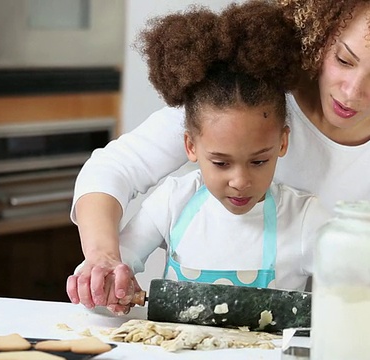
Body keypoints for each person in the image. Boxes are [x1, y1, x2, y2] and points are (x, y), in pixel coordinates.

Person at [68, 0, 370, 327]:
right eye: (343, 60)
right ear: (320, 31)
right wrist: (104, 257)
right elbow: (112, 170)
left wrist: (367, 276)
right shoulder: (257, 93)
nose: (351, 92)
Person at [67, 0, 330, 315]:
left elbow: (355, 293)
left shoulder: (305, 219)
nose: (240, 181)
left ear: (282, 142)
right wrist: (108, 283)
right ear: (190, 146)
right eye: (221, 162)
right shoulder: (172, 203)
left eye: (259, 161)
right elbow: (113, 267)